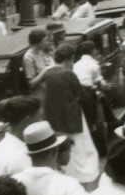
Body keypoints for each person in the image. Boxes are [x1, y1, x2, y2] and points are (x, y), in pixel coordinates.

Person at [43, 44, 100, 186]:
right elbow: (81, 94)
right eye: (72, 60)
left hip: (55, 118)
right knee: (81, 148)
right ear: (68, 59)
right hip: (72, 116)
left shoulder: (49, 73)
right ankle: (84, 177)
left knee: (66, 147)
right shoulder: (68, 73)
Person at [0, 96, 41, 180]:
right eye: (39, 118)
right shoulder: (19, 157)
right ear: (27, 120)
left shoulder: (6, 144)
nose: (42, 123)